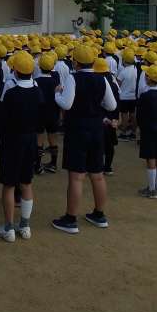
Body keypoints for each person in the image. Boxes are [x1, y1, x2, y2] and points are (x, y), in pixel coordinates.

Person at [52, 44, 117, 235]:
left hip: (77, 130)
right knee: (97, 174)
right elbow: (111, 105)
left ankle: (71, 219)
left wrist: (57, 93)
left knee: (76, 176)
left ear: (76, 62)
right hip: (96, 129)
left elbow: (66, 104)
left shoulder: (73, 78)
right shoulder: (102, 78)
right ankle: (99, 214)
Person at [0, 52, 43, 243]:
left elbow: (2, 119)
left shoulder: (11, 93)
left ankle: (8, 228)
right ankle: (25, 225)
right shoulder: (37, 91)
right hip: (30, 139)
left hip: (12, 141)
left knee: (9, 184)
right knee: (26, 183)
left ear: (15, 71)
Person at [35, 52, 62, 175]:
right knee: (53, 138)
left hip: (40, 114)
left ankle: (38, 165)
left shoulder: (36, 81)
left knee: (39, 139)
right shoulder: (56, 82)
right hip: (53, 113)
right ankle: (53, 164)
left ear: (39, 66)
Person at [93, 57, 120, 176]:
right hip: (111, 116)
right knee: (109, 144)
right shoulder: (113, 82)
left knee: (98, 143)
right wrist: (115, 118)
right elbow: (117, 100)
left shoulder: (97, 82)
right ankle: (108, 167)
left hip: (100, 117)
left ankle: (98, 166)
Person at [136, 63, 157, 198]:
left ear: (149, 79)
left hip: (149, 130)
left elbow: (140, 116)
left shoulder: (145, 96)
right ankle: (156, 187)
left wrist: (140, 127)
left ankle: (152, 189)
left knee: (150, 158)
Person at [117, 49, 137, 141]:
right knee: (133, 115)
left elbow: (118, 85)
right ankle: (133, 133)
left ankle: (124, 133)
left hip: (124, 97)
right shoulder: (136, 70)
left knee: (124, 115)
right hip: (134, 97)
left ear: (124, 60)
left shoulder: (123, 72)